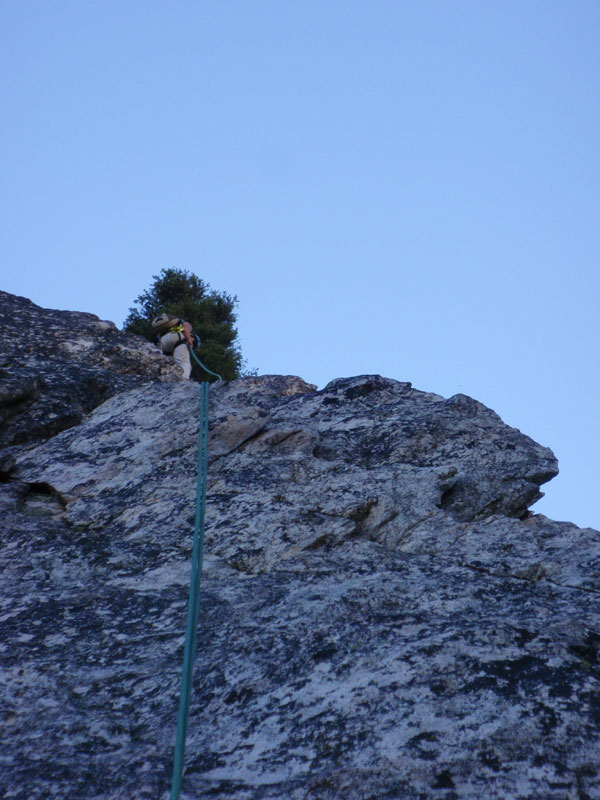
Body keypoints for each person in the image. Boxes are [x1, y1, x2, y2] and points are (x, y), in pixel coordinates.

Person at [151, 314, 197, 380]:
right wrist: (188, 337)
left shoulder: (173, 329)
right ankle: (183, 382)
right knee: (184, 364)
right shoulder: (182, 333)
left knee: (170, 362)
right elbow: (186, 326)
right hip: (175, 338)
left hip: (161, 342)